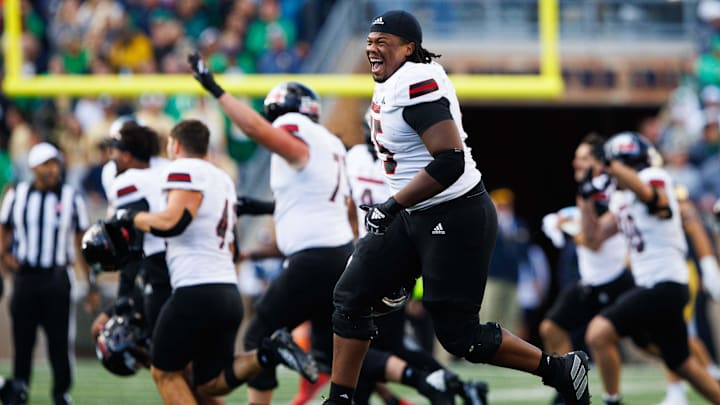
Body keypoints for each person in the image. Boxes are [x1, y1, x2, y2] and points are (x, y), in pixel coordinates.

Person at [322, 10, 591, 405]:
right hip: (416, 213)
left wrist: (393, 203)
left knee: (460, 336)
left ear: (409, 48)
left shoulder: (414, 81)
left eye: (382, 42)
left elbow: (450, 160)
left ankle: (560, 370)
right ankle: (341, 400)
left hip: (454, 212)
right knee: (350, 297)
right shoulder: (397, 78)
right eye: (368, 42)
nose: (372, 49)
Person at [105, 119, 318, 404]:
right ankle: (269, 351)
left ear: (176, 145)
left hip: (194, 289)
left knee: (165, 372)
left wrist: (131, 218)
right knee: (208, 383)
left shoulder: (185, 169)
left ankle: (271, 350)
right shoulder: (223, 179)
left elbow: (172, 223)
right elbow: (231, 246)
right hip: (228, 291)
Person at [582, 131, 720, 405]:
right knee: (682, 363)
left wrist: (613, 166)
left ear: (622, 161)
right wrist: (584, 197)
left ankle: (612, 401)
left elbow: (653, 199)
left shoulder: (654, 178)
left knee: (598, 333)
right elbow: (593, 238)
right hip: (653, 285)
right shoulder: (621, 199)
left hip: (665, 282)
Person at [539, 134, 635, 405]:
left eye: (583, 158)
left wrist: (571, 226)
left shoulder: (613, 191)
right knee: (551, 328)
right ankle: (569, 389)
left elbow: (592, 240)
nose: (575, 162)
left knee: (656, 343)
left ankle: (613, 399)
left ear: (599, 163)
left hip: (618, 278)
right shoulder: (588, 189)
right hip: (590, 281)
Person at [0, 142, 97, 405]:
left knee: (59, 341)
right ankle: (20, 389)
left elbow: (80, 243)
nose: (52, 169)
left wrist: (90, 282)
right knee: (23, 339)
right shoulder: (16, 195)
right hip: (26, 276)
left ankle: (61, 392)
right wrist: (5, 257)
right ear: (33, 167)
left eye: (55, 164)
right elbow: (3, 230)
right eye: (46, 164)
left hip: (57, 277)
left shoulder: (71, 197)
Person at [90, 120, 171, 342]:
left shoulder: (128, 181)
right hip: (187, 262)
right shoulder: (167, 168)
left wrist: (124, 294)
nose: (111, 156)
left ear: (127, 155)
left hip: (159, 267)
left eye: (115, 150)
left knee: (162, 353)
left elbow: (134, 239)